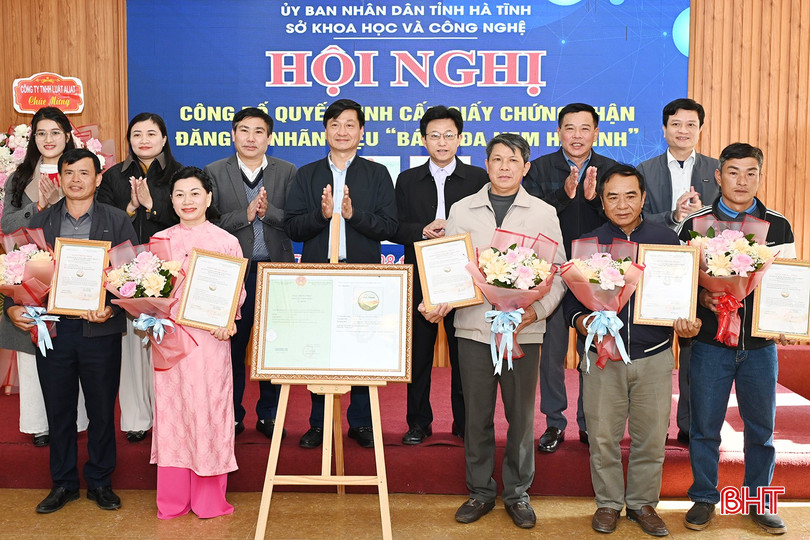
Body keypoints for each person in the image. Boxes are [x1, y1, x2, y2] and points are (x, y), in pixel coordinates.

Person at [422, 134, 566, 529]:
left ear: (526, 167)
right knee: (477, 416)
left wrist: (535, 312)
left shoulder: (543, 212)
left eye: (512, 160)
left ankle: (518, 493)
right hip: (474, 329)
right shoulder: (462, 209)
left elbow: (557, 274)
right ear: (486, 164)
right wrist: (439, 300)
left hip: (523, 332)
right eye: (497, 159)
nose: (504, 167)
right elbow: (452, 268)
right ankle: (480, 491)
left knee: (521, 418)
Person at [564, 164, 701, 536]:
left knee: (652, 437)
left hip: (654, 354)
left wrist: (686, 320)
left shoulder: (665, 240)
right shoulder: (589, 244)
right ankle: (608, 503)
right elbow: (571, 303)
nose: (622, 204)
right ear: (602, 201)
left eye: (630, 196)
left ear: (643, 199)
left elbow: (685, 294)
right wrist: (583, 321)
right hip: (603, 356)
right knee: (602, 436)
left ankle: (642, 504)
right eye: (613, 197)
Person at [6, 148, 139, 513]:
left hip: (100, 332)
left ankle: (100, 481)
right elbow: (17, 273)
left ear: (98, 178)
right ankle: (63, 483)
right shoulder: (40, 222)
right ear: (59, 178)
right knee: (59, 411)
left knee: (101, 410)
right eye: (69, 173)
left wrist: (112, 308)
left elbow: (131, 277)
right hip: (54, 332)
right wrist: (12, 307)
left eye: (84, 173)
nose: (76, 179)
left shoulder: (117, 220)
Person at [676, 143, 795, 535]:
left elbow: (788, 283)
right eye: (733, 172)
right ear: (719, 175)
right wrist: (702, 298)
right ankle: (703, 498)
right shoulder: (694, 224)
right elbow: (677, 281)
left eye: (751, 173)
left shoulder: (778, 226)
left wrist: (788, 318)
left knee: (761, 430)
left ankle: (759, 501)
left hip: (760, 346)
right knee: (704, 427)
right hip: (709, 344)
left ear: (760, 176)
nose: (742, 181)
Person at [284, 98, 397, 449]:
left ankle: (361, 422)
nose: (342, 131)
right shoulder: (307, 174)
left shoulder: (377, 174)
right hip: (319, 275)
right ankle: (319, 423)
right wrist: (322, 215)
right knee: (319, 349)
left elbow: (389, 226)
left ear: (361, 131)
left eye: (350, 124)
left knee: (361, 347)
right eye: (335, 124)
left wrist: (352, 215)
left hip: (362, 275)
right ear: (325, 131)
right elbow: (292, 227)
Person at [522, 103, 618, 453]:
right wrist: (564, 194)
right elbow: (531, 216)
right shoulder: (540, 168)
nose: (577, 136)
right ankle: (554, 422)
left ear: (596, 133)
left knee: (592, 351)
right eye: (570, 128)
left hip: (597, 275)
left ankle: (589, 422)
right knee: (551, 356)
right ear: (559, 132)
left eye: (584, 128)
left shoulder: (611, 170)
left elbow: (620, 217)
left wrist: (593, 200)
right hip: (552, 273)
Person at [150, 166, 245, 519]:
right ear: (171, 200)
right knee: (173, 414)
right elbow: (149, 291)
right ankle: (173, 499)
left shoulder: (226, 241)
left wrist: (228, 319)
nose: (187, 201)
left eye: (194, 193)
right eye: (179, 194)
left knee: (208, 412)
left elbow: (237, 292)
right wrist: (150, 311)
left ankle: (208, 499)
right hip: (171, 342)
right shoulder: (159, 241)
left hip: (209, 342)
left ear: (208, 197)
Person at [392, 105, 488, 445]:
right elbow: (393, 227)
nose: (442, 142)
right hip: (421, 279)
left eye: (449, 135)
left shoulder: (477, 179)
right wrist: (422, 230)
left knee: (464, 355)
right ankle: (419, 422)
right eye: (434, 136)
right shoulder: (407, 180)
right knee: (418, 355)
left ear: (460, 139)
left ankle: (464, 422)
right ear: (423, 140)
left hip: (465, 279)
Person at [204, 107, 296, 439]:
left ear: (269, 138)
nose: (251, 138)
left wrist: (268, 213)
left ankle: (270, 415)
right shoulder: (214, 172)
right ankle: (231, 414)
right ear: (233, 134)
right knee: (231, 346)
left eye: (259, 131)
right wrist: (244, 216)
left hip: (274, 272)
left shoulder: (287, 171)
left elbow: (297, 222)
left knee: (272, 346)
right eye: (244, 130)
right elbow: (208, 221)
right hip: (232, 272)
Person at [0, 106, 88, 447]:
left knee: (72, 346)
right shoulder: (20, 176)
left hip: (71, 268)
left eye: (55, 132)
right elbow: (7, 224)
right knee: (32, 343)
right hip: (31, 269)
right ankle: (39, 423)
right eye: (41, 133)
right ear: (33, 138)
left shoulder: (80, 168)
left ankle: (74, 419)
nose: (48, 139)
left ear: (67, 135)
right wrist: (37, 208)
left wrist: (60, 203)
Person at [638, 98, 720, 445]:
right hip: (657, 272)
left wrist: (701, 218)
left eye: (690, 125)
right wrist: (674, 216)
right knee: (653, 352)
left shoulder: (717, 169)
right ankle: (651, 429)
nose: (683, 131)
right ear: (664, 128)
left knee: (694, 351)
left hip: (704, 273)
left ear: (700, 129)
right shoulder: (645, 170)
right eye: (676, 124)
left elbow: (727, 218)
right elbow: (636, 218)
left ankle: (689, 425)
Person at [97, 112, 183, 443]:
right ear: (129, 140)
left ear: (164, 138)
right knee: (133, 349)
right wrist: (132, 208)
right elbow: (103, 222)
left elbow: (192, 218)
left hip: (169, 271)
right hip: (127, 271)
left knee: (167, 346)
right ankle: (136, 419)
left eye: (151, 133)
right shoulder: (113, 177)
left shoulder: (181, 175)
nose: (143, 140)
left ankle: (169, 417)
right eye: (136, 134)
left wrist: (153, 206)